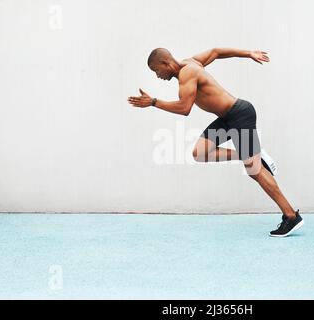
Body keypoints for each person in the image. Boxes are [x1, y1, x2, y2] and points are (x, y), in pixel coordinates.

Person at [128, 48, 303, 237]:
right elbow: (216, 52)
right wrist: (248, 53)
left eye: (156, 71)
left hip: (239, 114)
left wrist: (154, 102)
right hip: (227, 118)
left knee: (255, 171)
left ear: (165, 63)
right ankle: (252, 154)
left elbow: (185, 108)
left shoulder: (188, 73)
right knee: (200, 153)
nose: (157, 76)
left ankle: (291, 216)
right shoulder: (191, 62)